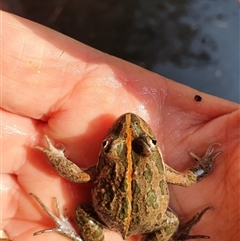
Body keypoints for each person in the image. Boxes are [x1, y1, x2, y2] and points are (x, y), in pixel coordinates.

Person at [1, 10, 239, 241]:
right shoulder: (161, 170)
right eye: (109, 145)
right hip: (147, 221)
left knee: (84, 212)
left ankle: (70, 232)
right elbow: (190, 178)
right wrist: (207, 162)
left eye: (108, 145)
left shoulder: (100, 169)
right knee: (171, 222)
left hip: (106, 218)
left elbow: (77, 175)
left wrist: (54, 155)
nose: (128, 127)